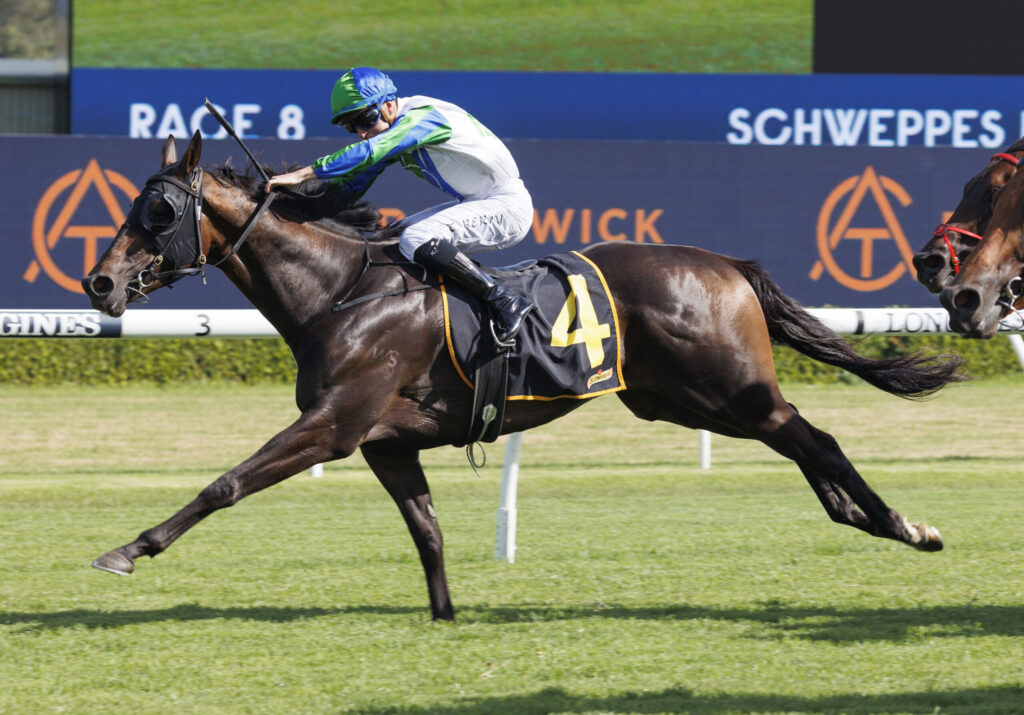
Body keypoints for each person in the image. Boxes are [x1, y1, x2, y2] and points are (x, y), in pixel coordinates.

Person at [265, 67, 535, 345]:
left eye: (364, 119)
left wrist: (303, 174)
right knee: (391, 240)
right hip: (478, 202)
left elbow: (371, 151)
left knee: (416, 238)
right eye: (351, 126)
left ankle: (504, 301)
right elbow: (351, 186)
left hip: (506, 206)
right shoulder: (394, 131)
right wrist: (291, 206)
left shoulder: (423, 117)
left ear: (389, 105)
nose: (361, 133)